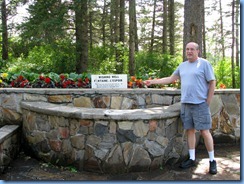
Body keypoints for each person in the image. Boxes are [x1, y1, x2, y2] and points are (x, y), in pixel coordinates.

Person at [144, 42, 217, 175]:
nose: (189, 51)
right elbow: (171, 79)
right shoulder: (182, 66)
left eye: (192, 49)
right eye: (187, 49)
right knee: (189, 131)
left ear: (198, 51)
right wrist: (153, 81)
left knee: (204, 132)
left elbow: (212, 82)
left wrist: (208, 101)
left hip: (200, 104)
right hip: (186, 104)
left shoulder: (204, 64)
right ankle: (192, 159)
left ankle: (212, 161)